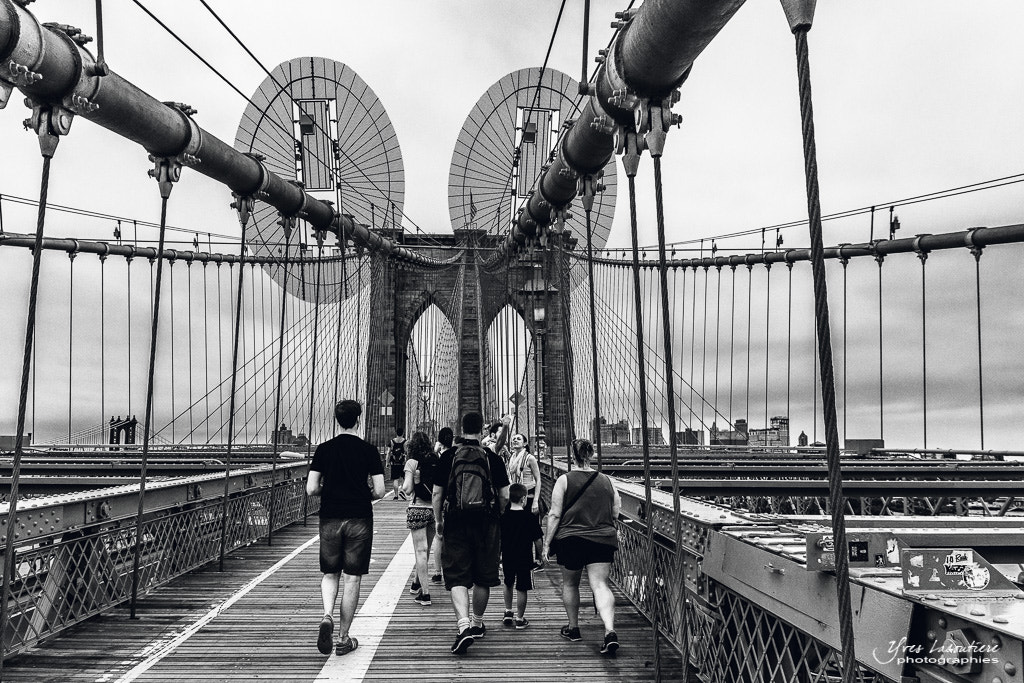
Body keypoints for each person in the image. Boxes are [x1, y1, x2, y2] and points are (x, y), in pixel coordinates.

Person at [306, 399, 385, 657]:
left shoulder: (324, 449)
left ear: (337, 419)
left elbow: (311, 489)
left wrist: (327, 492)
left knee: (330, 574)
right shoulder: (369, 450)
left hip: (330, 516)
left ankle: (326, 615)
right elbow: (381, 490)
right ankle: (342, 638)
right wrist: (364, 495)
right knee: (352, 577)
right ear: (359, 419)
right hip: (359, 517)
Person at [432, 412, 510, 655]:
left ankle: (463, 625)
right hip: (486, 523)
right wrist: (496, 514)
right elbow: (505, 495)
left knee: (456, 576)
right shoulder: (492, 458)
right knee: (483, 576)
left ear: (461, 429)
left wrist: (438, 521)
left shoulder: (448, 456)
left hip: (456, 521)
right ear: (481, 430)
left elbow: (437, 493)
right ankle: (477, 623)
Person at [542, 438, 622, 657]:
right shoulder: (607, 480)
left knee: (570, 584)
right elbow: (616, 512)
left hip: (571, 539)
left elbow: (555, 514)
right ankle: (609, 631)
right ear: (592, 454)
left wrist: (547, 543)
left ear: (572, 455)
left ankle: (574, 629)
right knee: (600, 585)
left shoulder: (564, 480)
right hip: (602, 538)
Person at [401, 431, 438, 605]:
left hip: (417, 509)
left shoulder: (411, 462)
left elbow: (408, 489)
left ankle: (425, 593)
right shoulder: (436, 459)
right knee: (426, 551)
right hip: (434, 510)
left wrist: (404, 487)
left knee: (420, 551)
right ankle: (416, 583)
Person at [500, 483, 543, 629]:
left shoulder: (504, 516)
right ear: (524, 499)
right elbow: (538, 539)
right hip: (525, 557)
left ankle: (507, 611)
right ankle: (519, 618)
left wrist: (498, 554)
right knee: (522, 587)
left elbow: (499, 538)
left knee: (508, 582)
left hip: (507, 555)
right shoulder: (529, 517)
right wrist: (540, 556)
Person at [429, 427, 455, 585]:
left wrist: (437, 517)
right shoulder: (457, 454)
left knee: (439, 537)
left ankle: (438, 572)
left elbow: (436, 491)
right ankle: (454, 570)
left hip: (442, 503)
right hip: (456, 503)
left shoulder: (438, 457)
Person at [506, 434, 541, 517]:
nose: (515, 440)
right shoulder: (512, 458)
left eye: (518, 439)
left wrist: (535, 501)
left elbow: (538, 480)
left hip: (528, 496)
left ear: (525, 443)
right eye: (514, 439)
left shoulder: (530, 458)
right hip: (514, 496)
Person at [388, 427, 407, 501]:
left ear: (396, 433)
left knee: (395, 479)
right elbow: (406, 452)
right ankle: (402, 490)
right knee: (403, 478)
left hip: (394, 463)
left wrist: (387, 462)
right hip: (402, 462)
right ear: (403, 433)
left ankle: (396, 495)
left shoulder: (392, 441)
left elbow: (388, 453)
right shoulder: (405, 442)